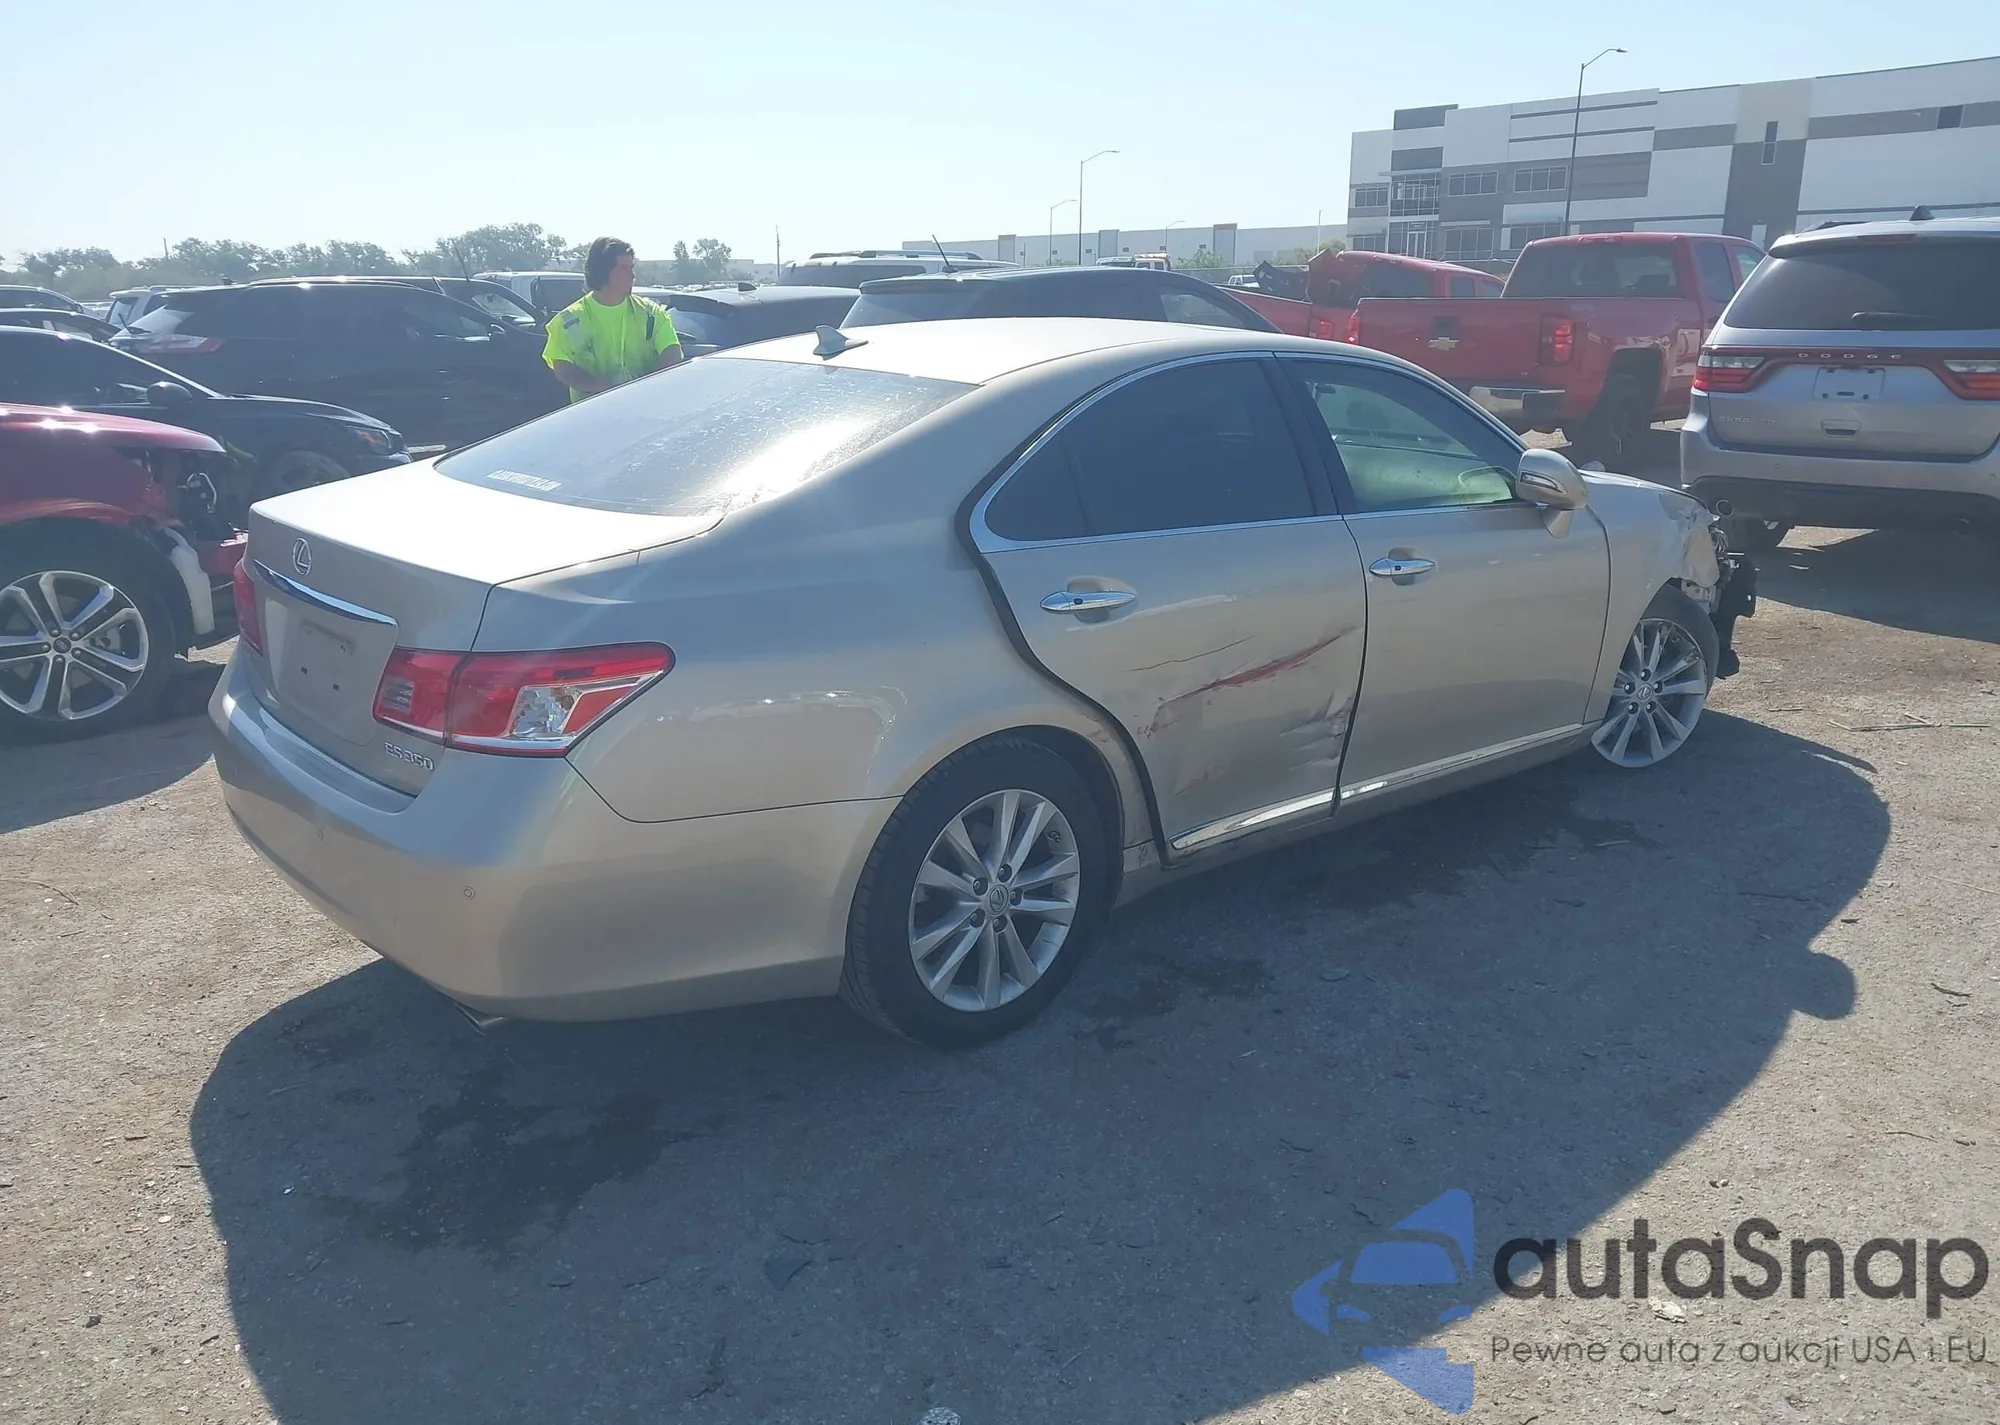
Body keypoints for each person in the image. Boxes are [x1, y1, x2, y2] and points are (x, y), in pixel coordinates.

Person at [542, 237, 684, 403]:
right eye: (624, 268)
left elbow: (673, 353)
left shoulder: (651, 313)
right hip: (594, 412)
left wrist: (645, 387)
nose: (632, 275)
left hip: (647, 407)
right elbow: (563, 369)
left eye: (631, 268)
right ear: (602, 272)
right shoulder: (568, 320)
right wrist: (600, 388)